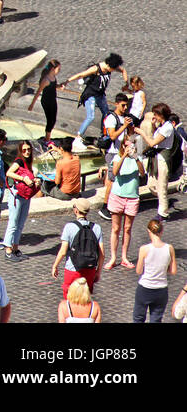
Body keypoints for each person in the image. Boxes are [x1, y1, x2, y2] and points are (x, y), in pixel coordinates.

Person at [67, 53, 127, 143]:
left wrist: (126, 84)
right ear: (109, 65)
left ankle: (103, 134)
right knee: (91, 116)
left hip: (100, 94)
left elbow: (123, 71)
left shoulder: (111, 67)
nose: (114, 71)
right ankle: (78, 138)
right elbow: (81, 75)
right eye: (113, 69)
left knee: (106, 113)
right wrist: (66, 82)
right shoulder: (96, 69)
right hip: (90, 94)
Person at [106, 138, 144, 269]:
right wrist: (123, 156)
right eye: (126, 145)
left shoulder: (137, 158)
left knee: (127, 229)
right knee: (115, 228)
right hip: (118, 196)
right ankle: (113, 258)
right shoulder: (117, 157)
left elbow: (142, 172)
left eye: (131, 145)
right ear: (122, 146)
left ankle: (124, 257)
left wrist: (136, 158)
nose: (129, 147)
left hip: (132, 197)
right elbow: (115, 172)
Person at [133, 217, 176, 322]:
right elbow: (173, 271)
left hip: (145, 288)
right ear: (162, 231)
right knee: (156, 319)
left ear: (149, 231)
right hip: (161, 289)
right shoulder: (169, 248)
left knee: (138, 318)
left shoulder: (144, 249)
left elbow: (138, 271)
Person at [3, 142, 38, 262]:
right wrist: (23, 178)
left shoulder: (29, 162)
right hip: (16, 196)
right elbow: (9, 173)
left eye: (29, 149)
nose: (27, 152)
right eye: (24, 150)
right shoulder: (19, 161)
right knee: (13, 223)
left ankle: (15, 249)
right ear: (20, 151)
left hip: (25, 197)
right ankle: (8, 250)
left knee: (21, 224)